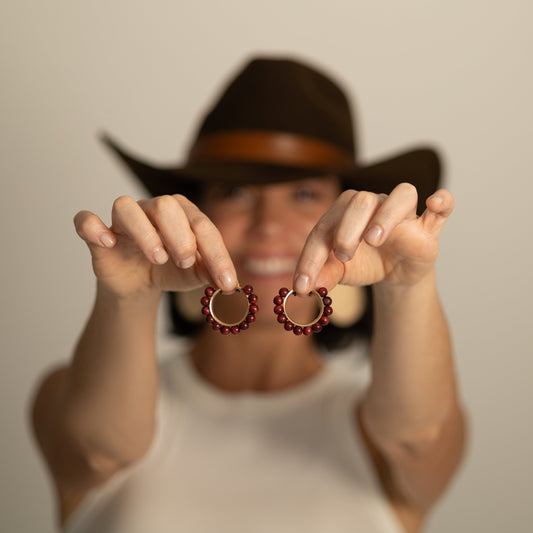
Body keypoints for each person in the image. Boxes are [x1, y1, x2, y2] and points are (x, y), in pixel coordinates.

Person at [31, 57, 466, 533]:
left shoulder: (386, 422)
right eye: (236, 192)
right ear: (198, 212)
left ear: (348, 217)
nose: (269, 225)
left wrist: (405, 281)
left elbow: (416, 441)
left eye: (303, 194)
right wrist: (131, 294)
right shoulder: (69, 395)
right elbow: (98, 452)